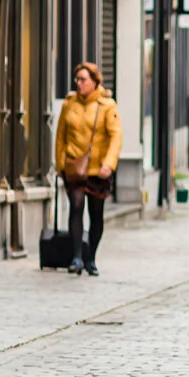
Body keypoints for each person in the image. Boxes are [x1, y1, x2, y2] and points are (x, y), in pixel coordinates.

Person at [55, 61, 122, 277]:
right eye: (77, 80)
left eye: (83, 80)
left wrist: (108, 164)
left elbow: (116, 136)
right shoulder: (69, 104)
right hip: (74, 166)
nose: (79, 84)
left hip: (97, 169)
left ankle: (90, 257)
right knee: (76, 206)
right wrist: (60, 164)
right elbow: (60, 137)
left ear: (95, 82)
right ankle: (76, 257)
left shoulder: (107, 106)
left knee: (96, 214)